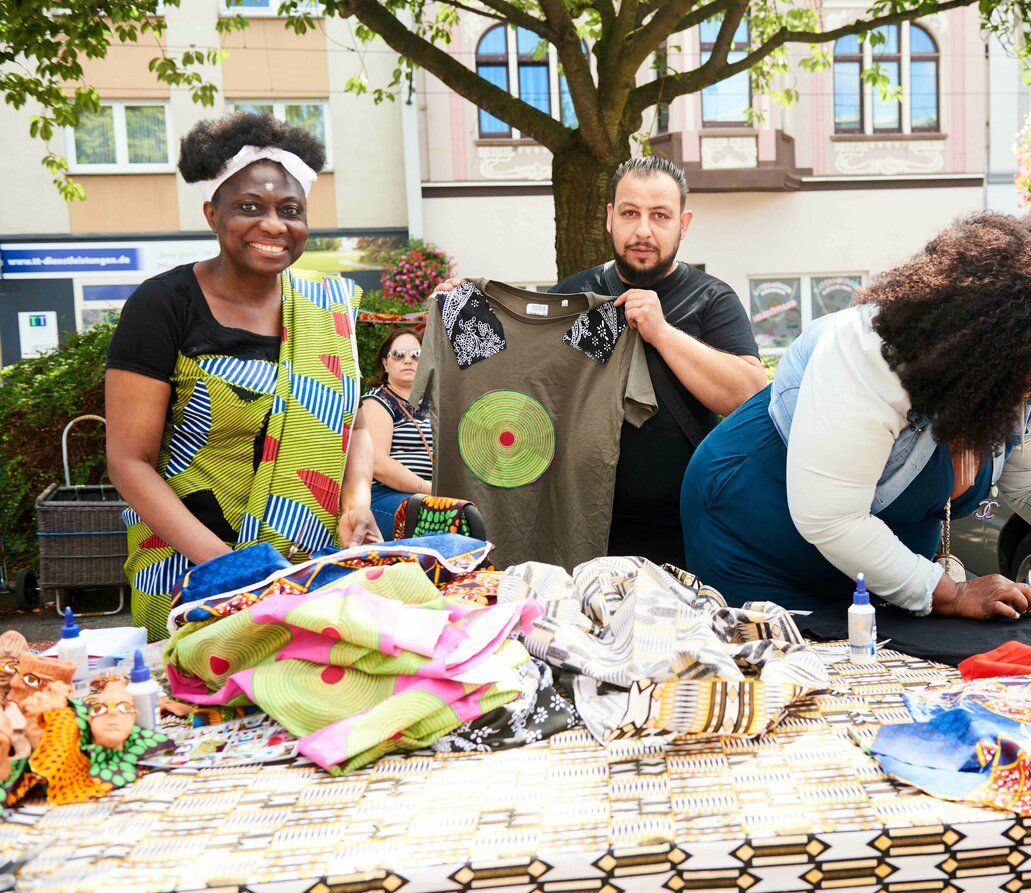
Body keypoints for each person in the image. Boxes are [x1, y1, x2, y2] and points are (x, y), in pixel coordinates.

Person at [681, 212, 1031, 639]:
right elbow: (832, 516)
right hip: (757, 529)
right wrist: (949, 594)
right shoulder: (868, 353)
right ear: (974, 351)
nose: (1028, 399)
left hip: (873, 558)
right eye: (1020, 385)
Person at [106, 111, 378, 641]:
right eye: (250, 207)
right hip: (190, 573)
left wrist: (358, 503)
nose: (274, 225)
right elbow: (128, 460)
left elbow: (356, 427)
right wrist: (232, 570)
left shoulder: (329, 306)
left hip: (307, 569)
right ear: (213, 214)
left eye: (290, 210)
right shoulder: (163, 305)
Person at [437, 156, 766, 567]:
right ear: (610, 218)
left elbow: (749, 396)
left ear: (683, 224)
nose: (643, 230)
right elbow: (519, 393)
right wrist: (462, 316)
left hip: (689, 530)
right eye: (630, 213)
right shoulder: (572, 297)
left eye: (659, 216)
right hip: (582, 530)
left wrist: (662, 333)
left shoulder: (712, 299)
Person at [361, 328, 434, 539]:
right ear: (385, 363)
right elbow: (378, 464)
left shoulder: (434, 404)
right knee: (443, 518)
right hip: (387, 497)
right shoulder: (377, 401)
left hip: (429, 496)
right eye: (399, 354)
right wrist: (429, 489)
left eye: (416, 355)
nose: (408, 360)